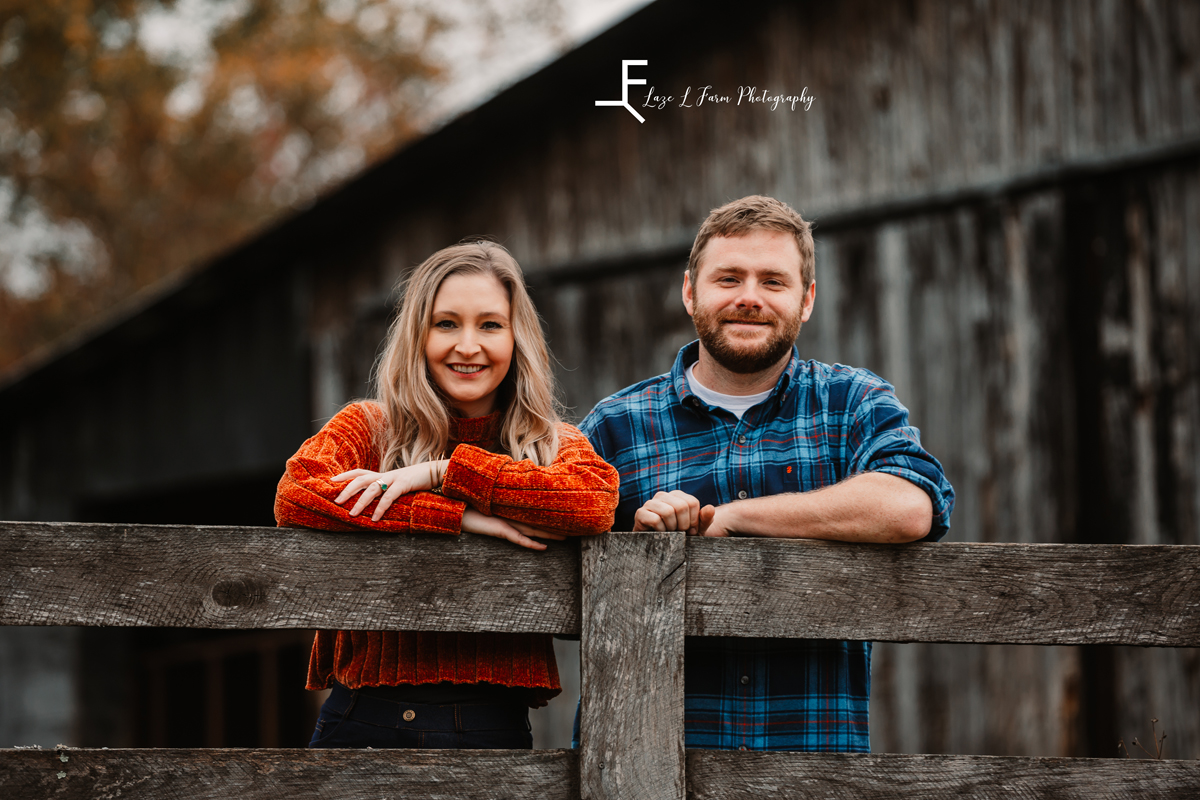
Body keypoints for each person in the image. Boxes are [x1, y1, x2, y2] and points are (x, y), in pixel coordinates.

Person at [579, 195, 955, 752]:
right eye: (728, 278)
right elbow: (544, 523)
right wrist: (633, 554)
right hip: (646, 768)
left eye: (773, 282)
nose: (749, 298)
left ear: (806, 301)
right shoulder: (614, 427)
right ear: (690, 292)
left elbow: (909, 505)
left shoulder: (850, 402)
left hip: (808, 770)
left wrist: (736, 517)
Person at [275, 240, 619, 750]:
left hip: (489, 724)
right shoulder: (370, 428)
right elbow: (296, 495)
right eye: (446, 324)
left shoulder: (547, 441)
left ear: (516, 337)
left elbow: (593, 502)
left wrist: (442, 472)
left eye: (490, 325)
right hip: (364, 718)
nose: (467, 345)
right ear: (419, 336)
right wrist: (458, 517)